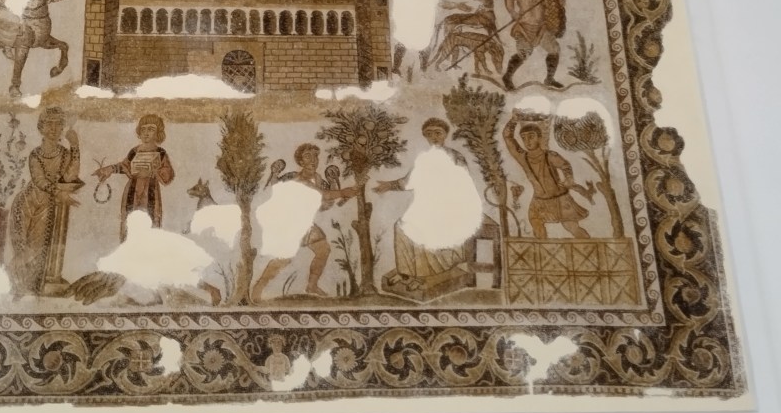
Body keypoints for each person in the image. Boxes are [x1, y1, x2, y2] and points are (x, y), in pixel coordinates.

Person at [374, 118, 478, 289]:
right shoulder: (423, 159)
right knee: (401, 227)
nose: (434, 137)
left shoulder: (456, 157)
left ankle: (421, 276)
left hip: (449, 207)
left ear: (445, 135)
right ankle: (406, 272)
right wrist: (388, 185)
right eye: (429, 134)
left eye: (438, 133)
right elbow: (408, 182)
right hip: (427, 205)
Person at [251, 143, 358, 301]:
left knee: (323, 250)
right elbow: (322, 195)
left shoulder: (319, 180)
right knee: (283, 259)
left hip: (305, 223)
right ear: (300, 161)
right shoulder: (296, 178)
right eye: (308, 156)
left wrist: (335, 184)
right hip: (290, 223)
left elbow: (326, 204)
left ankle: (312, 285)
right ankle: (258, 288)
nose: (313, 160)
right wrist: (342, 192)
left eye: (315, 156)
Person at [8, 107, 83, 297]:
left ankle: (38, 284)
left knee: (43, 245)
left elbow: (70, 176)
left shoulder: (64, 154)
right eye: (49, 124)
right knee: (30, 247)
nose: (54, 128)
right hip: (31, 204)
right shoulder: (36, 155)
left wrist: (75, 147)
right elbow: (39, 180)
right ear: (41, 127)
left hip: (51, 205)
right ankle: (21, 284)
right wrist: (59, 193)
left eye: (58, 124)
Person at [502, 111, 589, 239]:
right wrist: (513, 121)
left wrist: (569, 179)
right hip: (539, 200)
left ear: (539, 137)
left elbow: (565, 165)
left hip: (559, 199)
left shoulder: (550, 155)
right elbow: (508, 137)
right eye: (524, 138)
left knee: (571, 226)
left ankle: (589, 247)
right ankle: (543, 249)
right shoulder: (523, 157)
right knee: (535, 222)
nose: (527, 141)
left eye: (531, 136)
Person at [94, 114, 175, 242]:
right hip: (132, 191)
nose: (146, 133)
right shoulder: (134, 151)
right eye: (143, 129)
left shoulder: (161, 153)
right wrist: (109, 169)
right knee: (129, 222)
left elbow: (168, 174)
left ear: (158, 133)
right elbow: (125, 166)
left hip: (150, 192)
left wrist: (154, 171)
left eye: (151, 129)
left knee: (151, 223)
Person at [501, 0, 567, 90]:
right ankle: (507, 77)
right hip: (525, 26)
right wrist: (513, 12)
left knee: (554, 50)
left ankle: (549, 79)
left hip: (542, 27)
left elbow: (560, 4)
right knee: (524, 53)